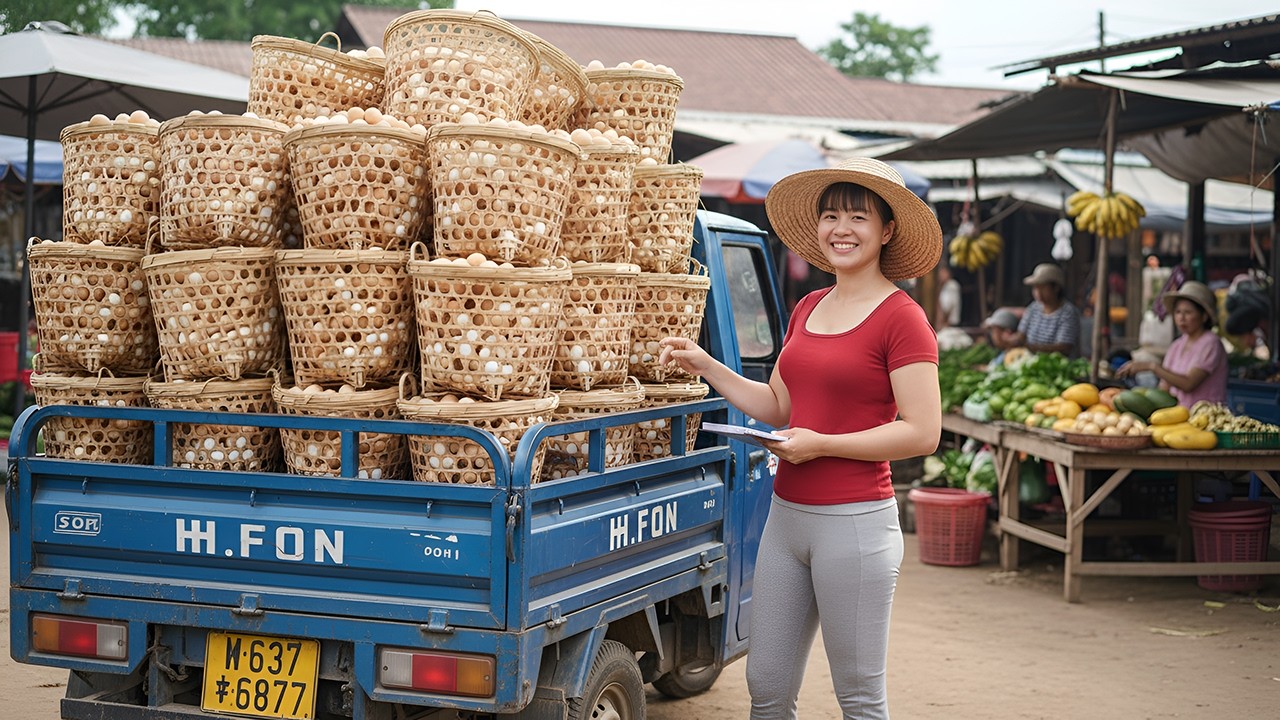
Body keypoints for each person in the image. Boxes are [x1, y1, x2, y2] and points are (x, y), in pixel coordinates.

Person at [659, 157, 942, 720]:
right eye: (831, 214)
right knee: (766, 687)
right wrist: (706, 365)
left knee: (858, 697)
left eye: (858, 216)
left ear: (887, 231)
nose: (842, 228)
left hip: (855, 526)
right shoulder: (809, 307)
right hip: (786, 521)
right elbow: (780, 406)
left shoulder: (902, 319)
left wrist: (823, 445)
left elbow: (922, 432)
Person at [1115, 280, 1227, 406]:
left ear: (1204, 316)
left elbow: (1188, 384)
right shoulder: (1177, 345)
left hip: (1204, 419)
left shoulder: (1211, 343)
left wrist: (1151, 366)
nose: (1181, 318)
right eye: (1178, 312)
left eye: (1188, 312)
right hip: (1178, 418)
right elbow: (1165, 387)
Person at [1011, 263, 1081, 357]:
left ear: (1056, 288)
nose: (1038, 292)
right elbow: (1021, 335)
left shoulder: (1068, 313)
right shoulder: (1033, 308)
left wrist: (1030, 347)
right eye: (1035, 288)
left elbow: (1064, 348)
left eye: (1042, 287)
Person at [935, 264, 961, 329]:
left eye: (942, 272)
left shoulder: (952, 285)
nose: (940, 275)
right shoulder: (944, 286)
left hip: (950, 325)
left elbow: (948, 306)